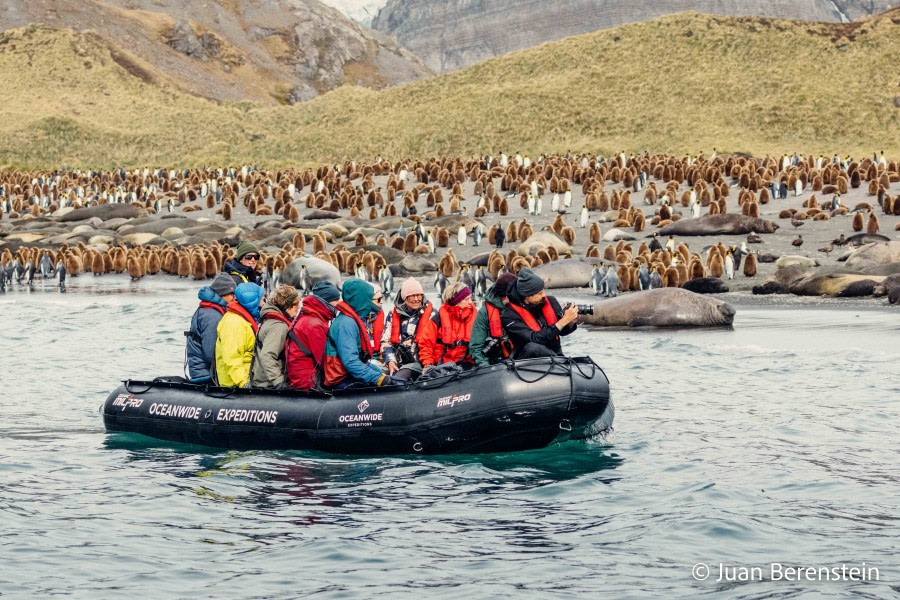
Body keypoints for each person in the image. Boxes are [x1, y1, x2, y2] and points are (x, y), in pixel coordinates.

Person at [324, 278, 402, 389]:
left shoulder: (349, 319)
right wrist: (379, 379)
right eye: (368, 298)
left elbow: (360, 360)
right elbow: (351, 362)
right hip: (341, 379)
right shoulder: (346, 324)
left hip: (348, 374)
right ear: (360, 299)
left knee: (387, 377)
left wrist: (380, 373)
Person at [501, 268, 578, 359]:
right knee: (533, 347)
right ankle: (560, 361)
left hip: (555, 353)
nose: (544, 295)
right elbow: (534, 339)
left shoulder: (551, 301)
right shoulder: (509, 315)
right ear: (527, 295)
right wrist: (563, 321)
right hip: (526, 358)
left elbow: (561, 332)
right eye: (540, 293)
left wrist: (570, 323)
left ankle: (559, 360)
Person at [285, 281, 341, 391]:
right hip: (308, 382)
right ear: (326, 302)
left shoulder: (309, 315)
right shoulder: (315, 324)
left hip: (298, 378)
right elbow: (324, 359)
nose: (339, 304)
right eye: (336, 300)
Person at [185, 273, 236, 383]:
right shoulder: (212, 315)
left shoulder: (213, 309)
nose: (234, 297)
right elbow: (211, 352)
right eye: (232, 293)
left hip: (202, 369)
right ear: (222, 293)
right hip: (205, 373)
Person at [215, 282, 265, 387]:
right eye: (261, 299)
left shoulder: (243, 319)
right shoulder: (234, 323)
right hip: (234, 385)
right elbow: (232, 357)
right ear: (252, 302)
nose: (263, 303)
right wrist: (244, 383)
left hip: (246, 378)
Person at [380, 277, 433, 377]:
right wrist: (391, 361)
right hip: (398, 362)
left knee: (398, 378)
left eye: (419, 295)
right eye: (412, 296)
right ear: (405, 297)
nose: (416, 299)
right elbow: (386, 342)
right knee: (380, 375)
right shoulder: (393, 315)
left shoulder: (432, 314)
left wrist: (429, 364)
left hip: (422, 363)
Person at [250, 284, 301, 388]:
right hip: (268, 383)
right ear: (287, 307)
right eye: (296, 305)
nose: (298, 308)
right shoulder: (278, 326)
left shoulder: (270, 319)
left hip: (263, 378)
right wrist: (278, 381)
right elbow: (267, 355)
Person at [419, 282, 477, 369]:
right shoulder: (438, 319)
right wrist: (428, 365)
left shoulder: (475, 317)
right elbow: (426, 345)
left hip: (465, 365)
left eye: (470, 298)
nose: (470, 302)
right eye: (466, 299)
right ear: (456, 301)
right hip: (439, 366)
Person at [469, 272, 517, 367]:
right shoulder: (484, 313)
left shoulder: (523, 303)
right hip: (495, 362)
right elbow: (476, 348)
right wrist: (486, 367)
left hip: (519, 358)